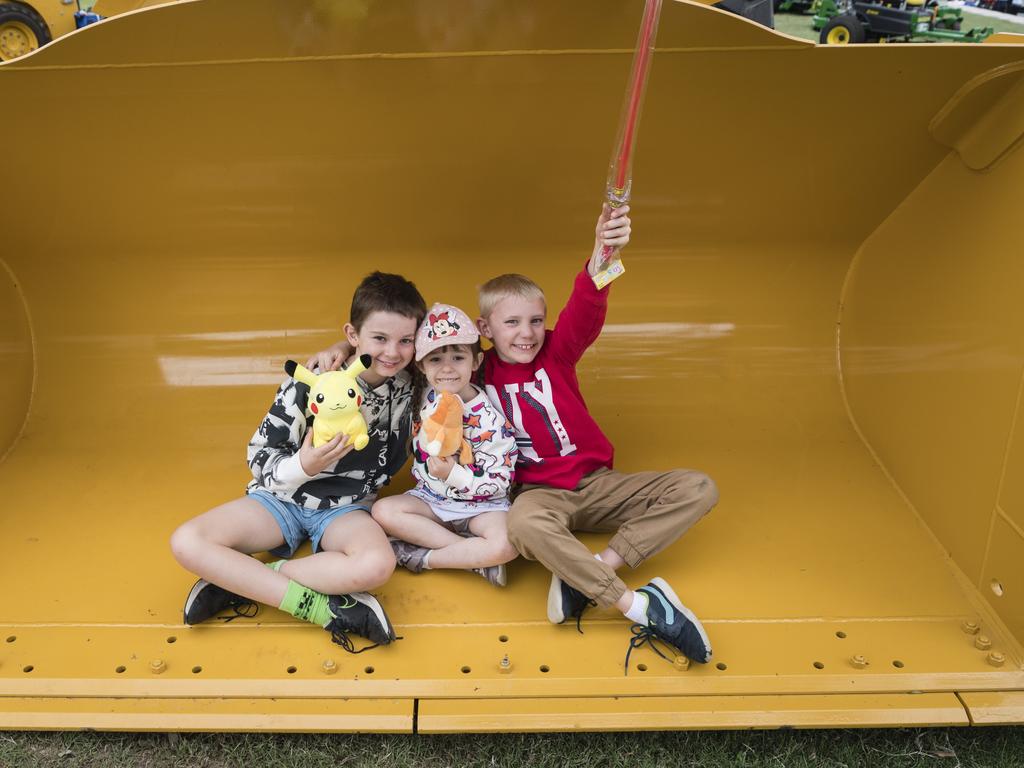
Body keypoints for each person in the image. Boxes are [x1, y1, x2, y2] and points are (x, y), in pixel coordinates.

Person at [475, 204, 719, 670]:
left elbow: (586, 304)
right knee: (522, 526)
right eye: (511, 323)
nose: (526, 334)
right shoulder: (477, 372)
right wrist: (347, 347)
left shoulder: (558, 353)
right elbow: (426, 351)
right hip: (540, 494)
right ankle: (638, 604)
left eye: (534, 320)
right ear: (485, 329)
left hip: (595, 485)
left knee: (699, 487)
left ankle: (594, 570)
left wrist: (604, 248)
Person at [169, 272, 426, 651]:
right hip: (280, 499)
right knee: (187, 541)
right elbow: (260, 454)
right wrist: (303, 464)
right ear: (354, 335)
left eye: (406, 340)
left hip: (347, 509)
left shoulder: (413, 383)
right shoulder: (312, 382)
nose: (393, 352)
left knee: (377, 565)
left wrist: (348, 344)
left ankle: (245, 580)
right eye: (380, 338)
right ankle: (320, 609)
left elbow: (458, 347)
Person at [371, 303, 519, 587]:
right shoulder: (425, 393)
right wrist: (340, 347)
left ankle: (424, 558)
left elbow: (501, 481)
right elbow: (382, 353)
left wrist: (454, 474)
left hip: (482, 508)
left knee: (507, 544)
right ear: (421, 365)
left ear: (475, 362)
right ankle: (472, 560)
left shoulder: (490, 417)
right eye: (436, 359)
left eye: (458, 357)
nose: (447, 368)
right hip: (432, 500)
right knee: (382, 512)